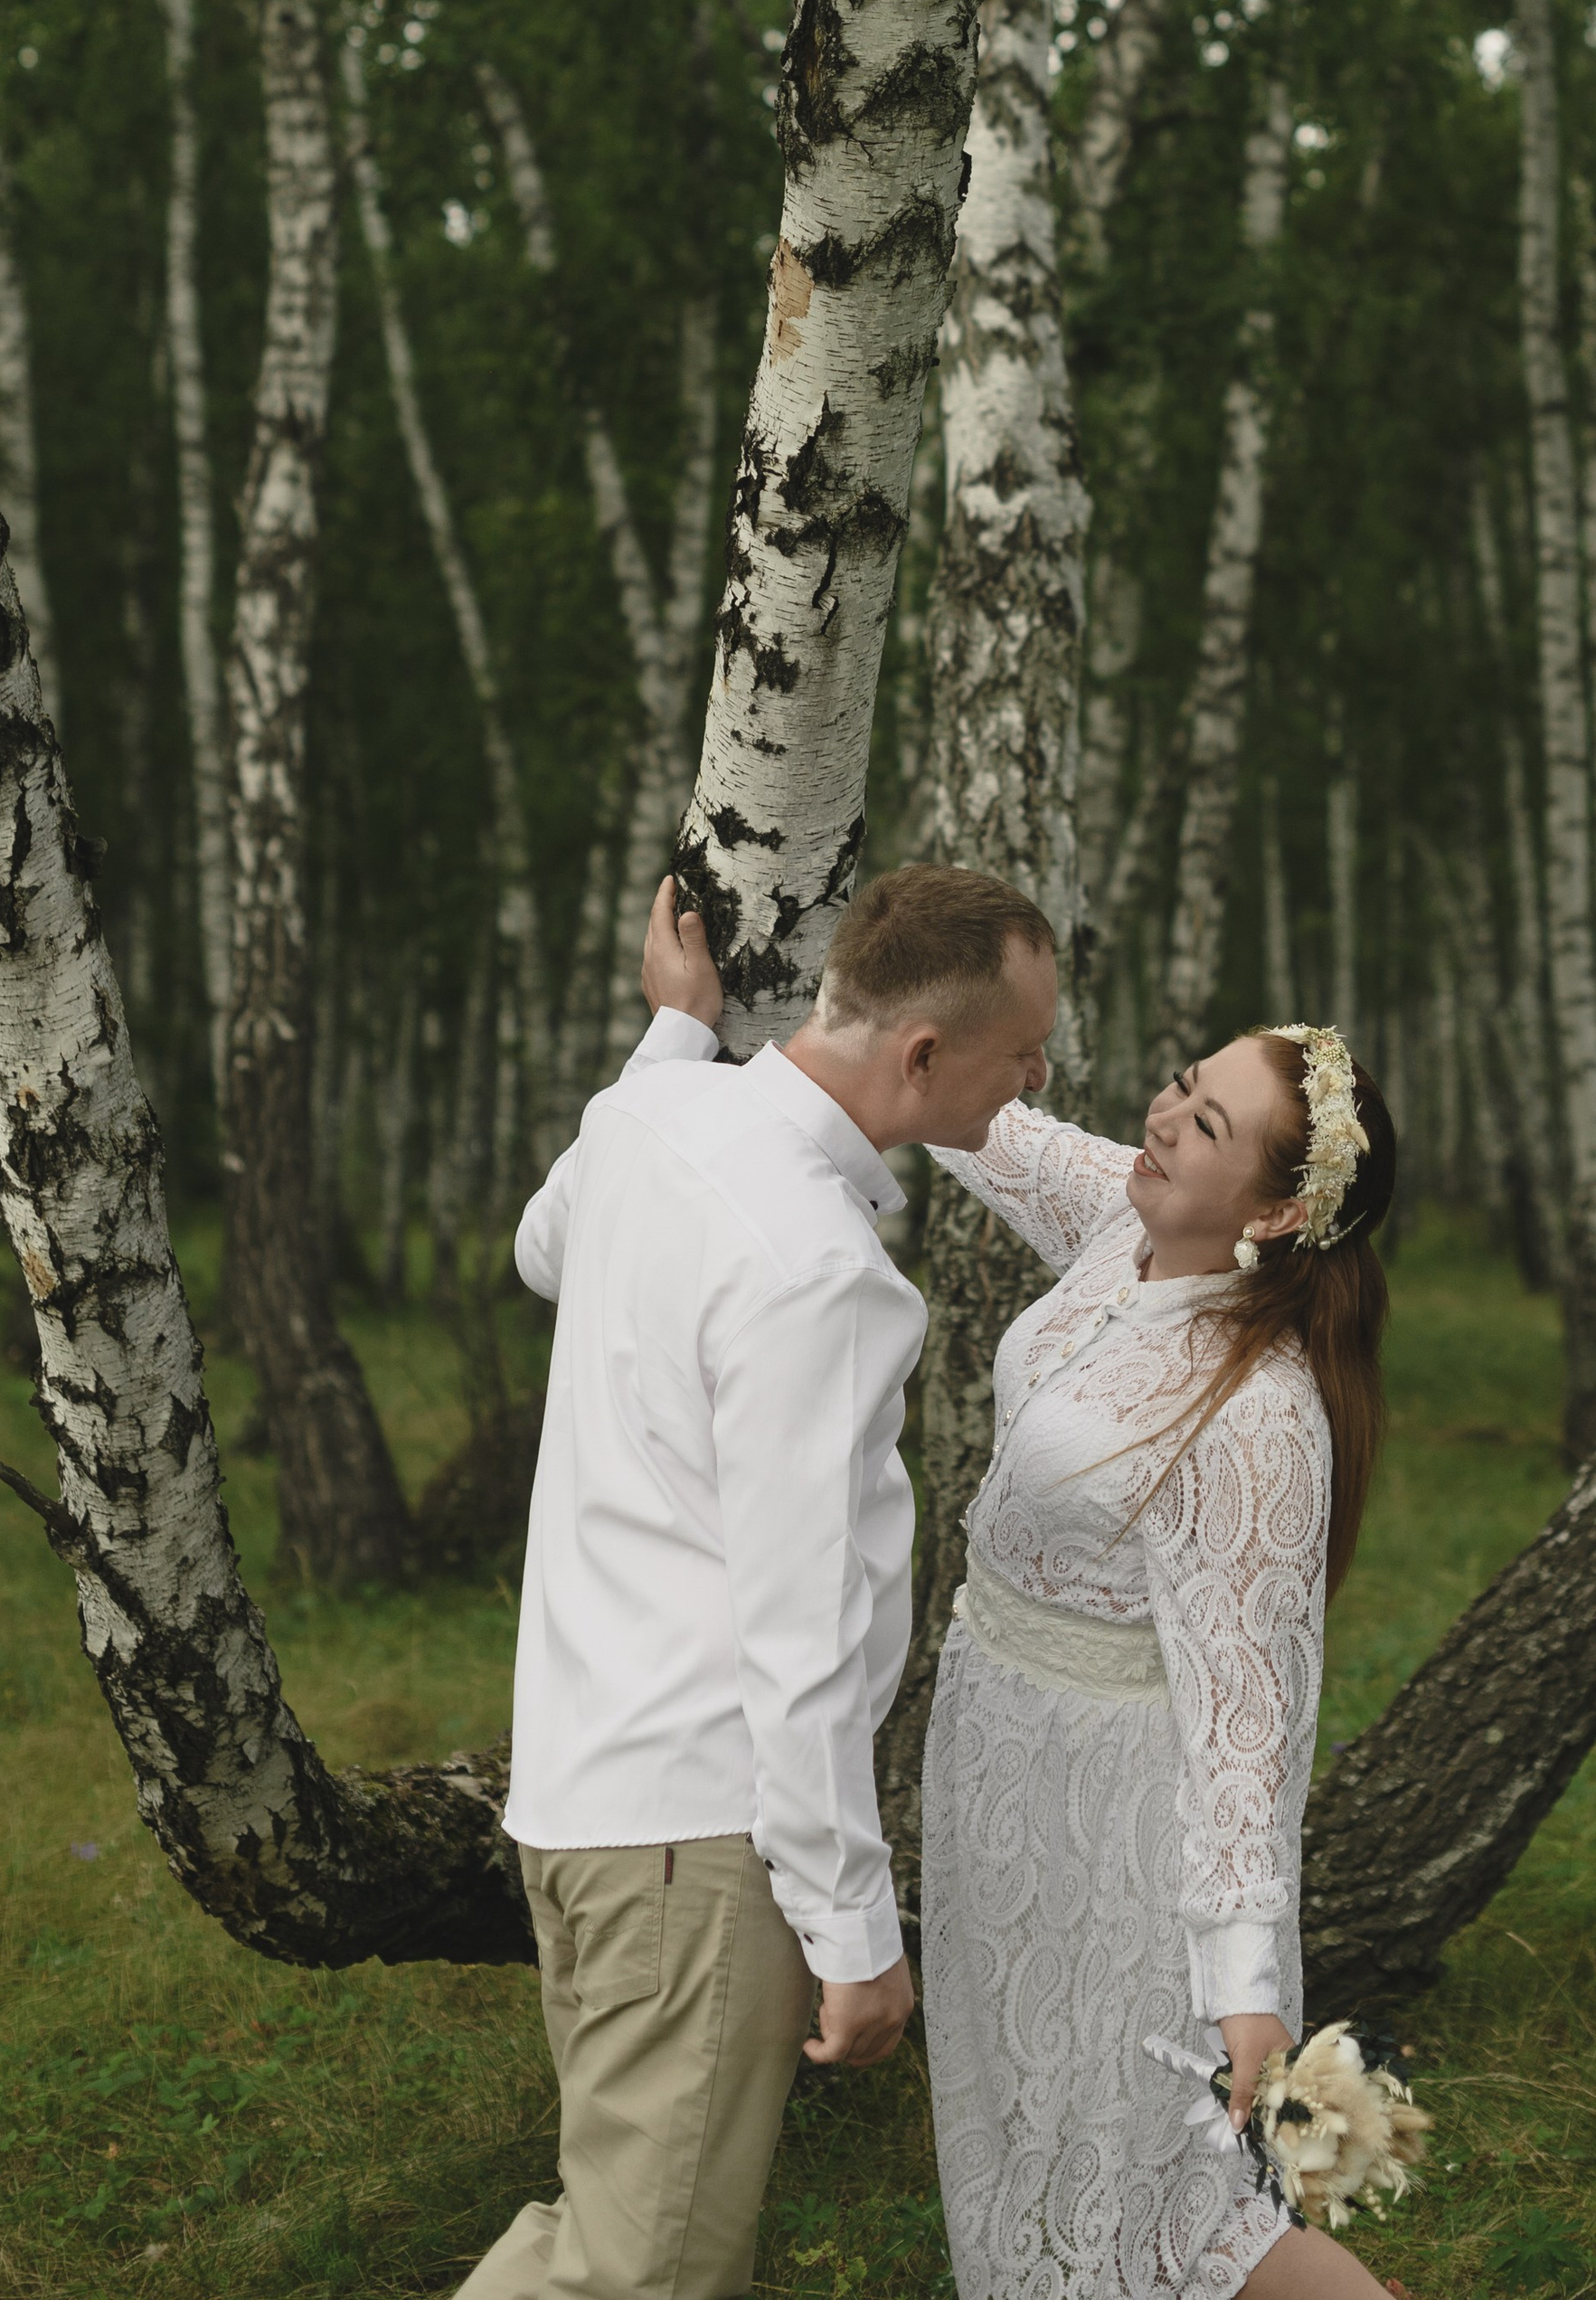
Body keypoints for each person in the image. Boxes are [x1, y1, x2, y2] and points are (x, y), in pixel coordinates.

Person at [456, 861, 1059, 2300]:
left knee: (602, 2231)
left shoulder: (655, 1111)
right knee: (635, 2273)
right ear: (922, 1055)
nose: (1036, 1081)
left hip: (582, 1795)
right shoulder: (817, 1272)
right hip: (695, 1833)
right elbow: (801, 1637)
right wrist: (856, 1934)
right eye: (1024, 1052)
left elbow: (548, 1248)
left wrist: (671, 1035)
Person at [921, 1023, 1404, 2300]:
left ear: (1281, 1208)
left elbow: (1251, 1719)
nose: (1165, 1119)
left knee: (1165, 2194)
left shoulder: (1262, 1415)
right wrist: (774, 1021)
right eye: (1181, 1087)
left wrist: (1247, 1984)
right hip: (996, 1761)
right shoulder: (1124, 1217)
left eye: (1208, 1126)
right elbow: (974, 1119)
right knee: (1021, 2129)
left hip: (1121, 1811)